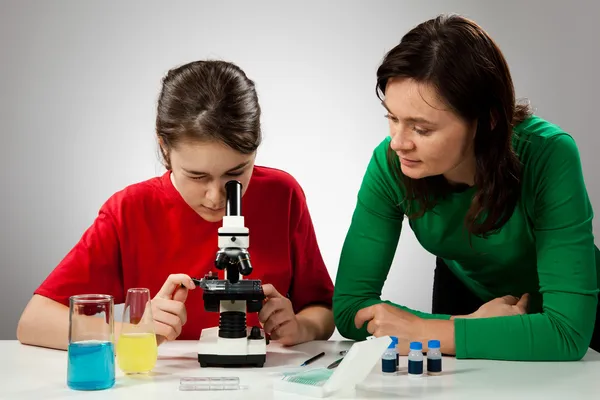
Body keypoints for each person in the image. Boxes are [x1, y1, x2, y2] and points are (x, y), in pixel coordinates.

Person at [333, 14, 599, 361]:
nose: (398, 143)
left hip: (578, 318)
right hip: (469, 302)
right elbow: (351, 308)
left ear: (487, 121)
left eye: (422, 129)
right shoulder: (389, 163)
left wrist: (426, 331)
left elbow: (566, 333)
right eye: (392, 118)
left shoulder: (549, 153)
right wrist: (463, 324)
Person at [17, 60, 335, 350]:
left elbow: (323, 308)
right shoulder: (128, 211)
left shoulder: (284, 195)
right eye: (196, 176)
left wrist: (302, 326)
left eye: (236, 173)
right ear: (164, 148)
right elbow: (35, 322)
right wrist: (131, 330)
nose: (215, 197)